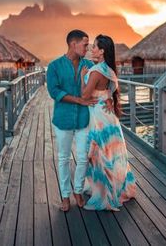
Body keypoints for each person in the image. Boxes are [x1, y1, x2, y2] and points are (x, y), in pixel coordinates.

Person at [47, 30, 113, 212]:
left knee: (83, 158)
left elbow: (106, 79)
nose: (88, 47)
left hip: (85, 118)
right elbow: (54, 91)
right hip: (63, 119)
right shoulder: (54, 66)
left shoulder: (90, 65)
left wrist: (109, 97)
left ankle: (78, 191)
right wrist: (78, 100)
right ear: (73, 44)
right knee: (63, 158)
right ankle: (65, 196)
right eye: (85, 44)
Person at [81, 34, 136, 211]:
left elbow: (85, 96)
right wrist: (109, 100)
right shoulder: (109, 70)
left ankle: (104, 191)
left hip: (98, 115)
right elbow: (108, 93)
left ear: (102, 50)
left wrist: (83, 77)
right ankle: (116, 186)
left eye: (95, 46)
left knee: (99, 152)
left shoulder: (96, 71)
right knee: (110, 151)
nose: (92, 49)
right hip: (109, 116)